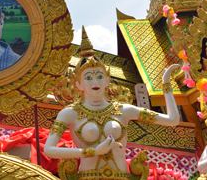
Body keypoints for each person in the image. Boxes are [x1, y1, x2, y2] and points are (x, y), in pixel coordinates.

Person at [44, 27, 180, 180]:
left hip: (121, 176)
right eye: (88, 78)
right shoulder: (69, 113)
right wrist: (92, 152)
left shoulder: (124, 110)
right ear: (78, 84)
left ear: (107, 80)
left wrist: (166, 85)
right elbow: (49, 149)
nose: (95, 81)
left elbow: (172, 120)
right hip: (87, 177)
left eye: (100, 76)